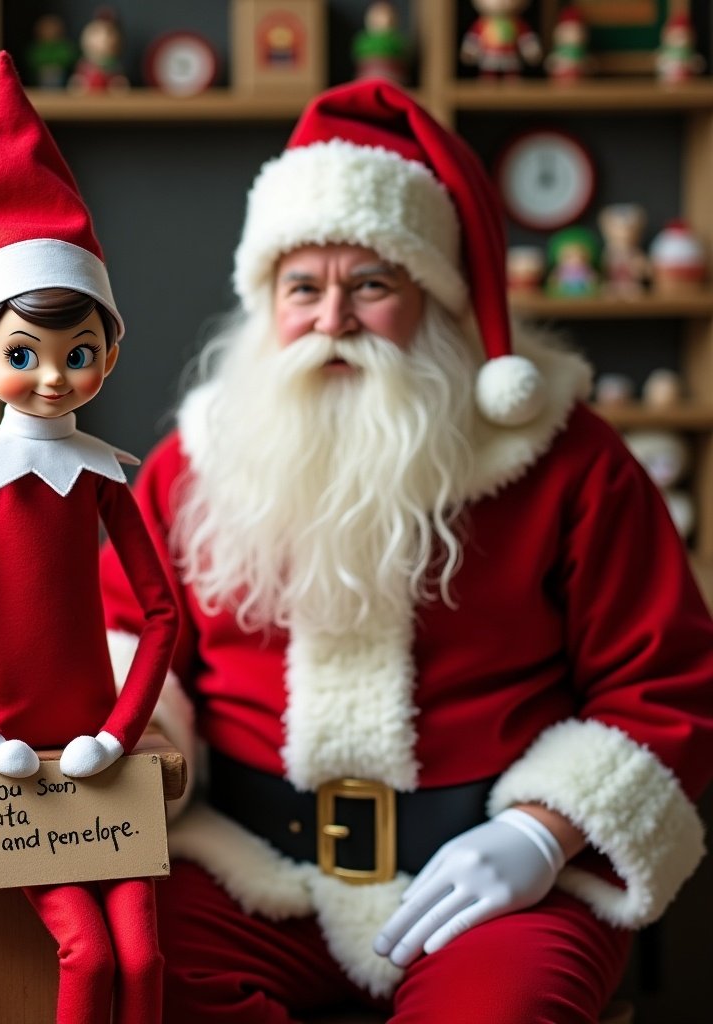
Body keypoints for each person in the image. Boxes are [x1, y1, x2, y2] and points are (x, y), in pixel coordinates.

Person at [99, 79, 713, 1023]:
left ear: (436, 302)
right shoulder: (196, 462)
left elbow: (669, 684)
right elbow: (124, 641)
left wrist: (542, 835)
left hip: (494, 883)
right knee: (124, 977)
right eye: (303, 288)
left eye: (372, 285)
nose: (333, 320)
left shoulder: (565, 461)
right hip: (244, 862)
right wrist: (123, 734)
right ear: (268, 305)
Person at [0, 52, 178, 1024]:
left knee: (143, 962)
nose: (54, 377)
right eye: (24, 354)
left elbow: (160, 612)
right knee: (87, 956)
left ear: (109, 355)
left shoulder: (105, 476)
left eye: (78, 353)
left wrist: (121, 729)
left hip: (100, 758)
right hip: (11, 763)